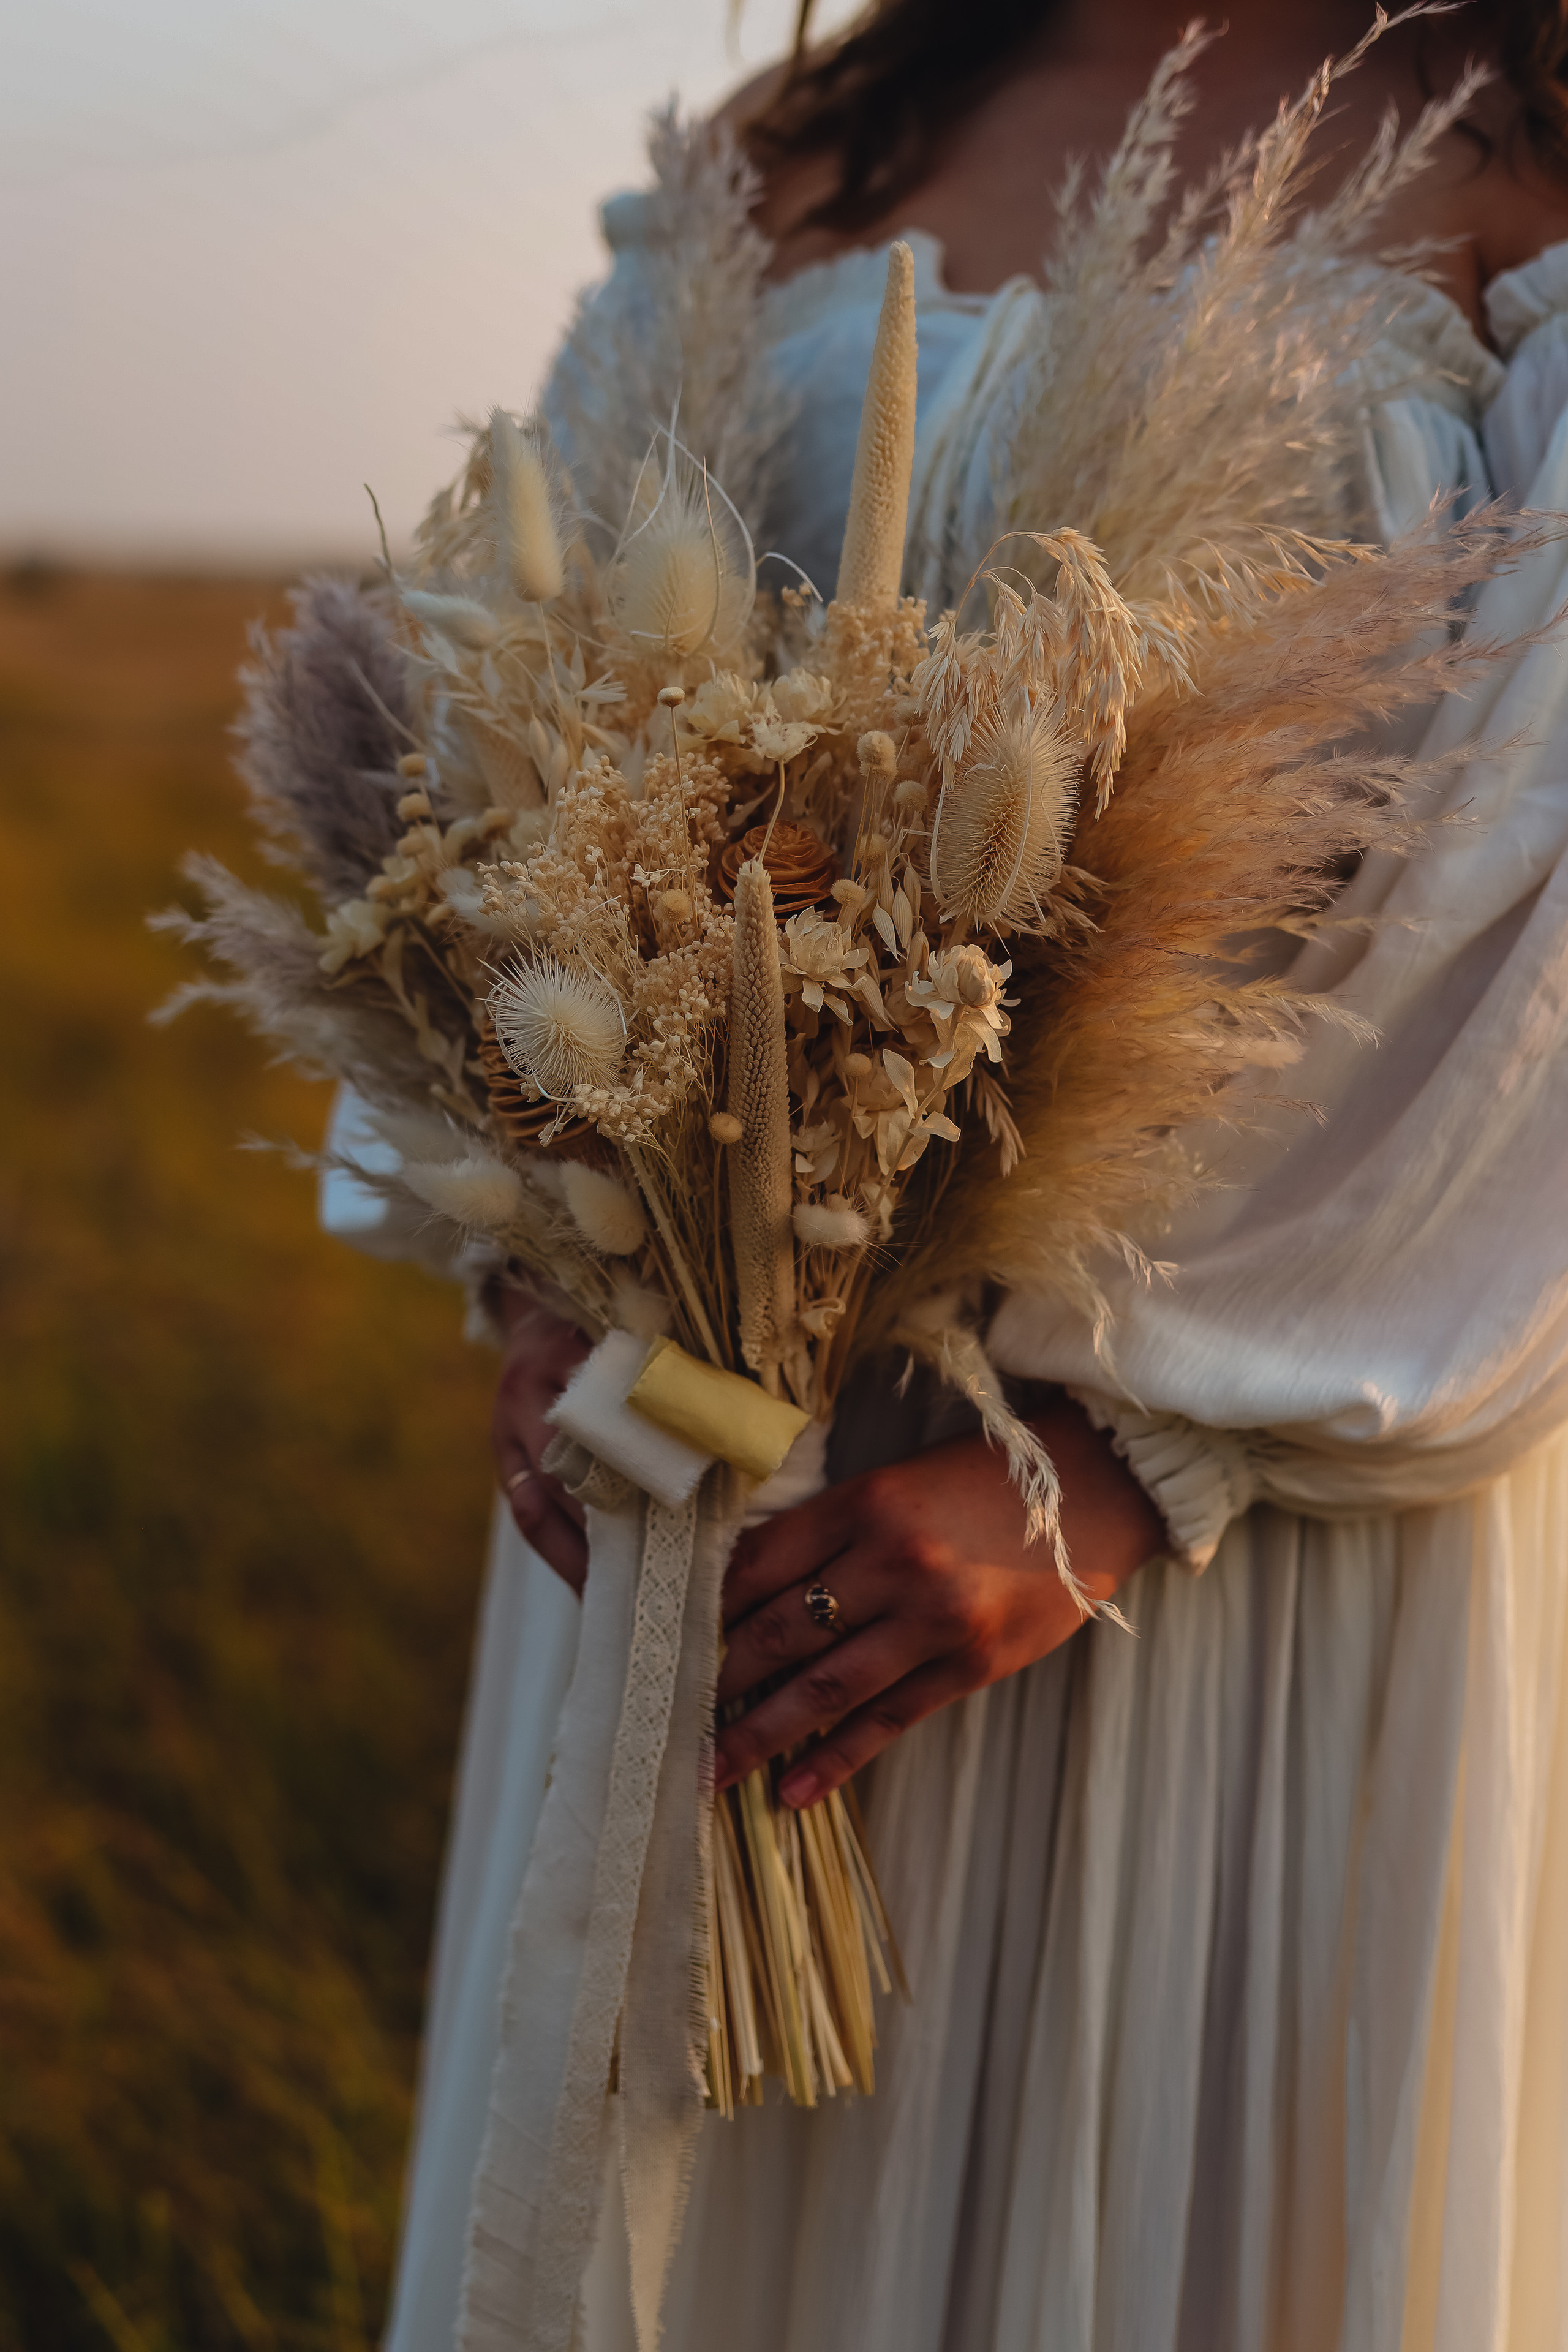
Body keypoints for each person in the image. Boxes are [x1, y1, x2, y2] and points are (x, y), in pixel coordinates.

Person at [360, 4, 1568, 2344]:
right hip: (704, 1448)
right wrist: (541, 1261)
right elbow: (501, 690)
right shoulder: (807, 134)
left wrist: (1135, 1467)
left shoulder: (1522, 140)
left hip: (1209, 1520)